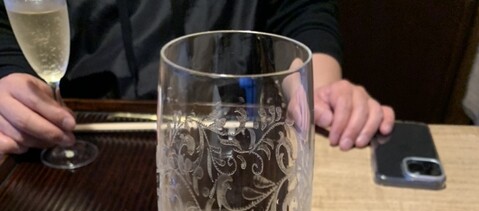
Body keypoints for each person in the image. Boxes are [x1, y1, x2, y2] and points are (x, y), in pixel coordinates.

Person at [0, 0, 394, 156]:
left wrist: (319, 90)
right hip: (82, 136)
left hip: (233, 140)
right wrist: (10, 80)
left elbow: (301, 12)